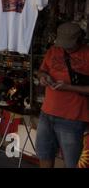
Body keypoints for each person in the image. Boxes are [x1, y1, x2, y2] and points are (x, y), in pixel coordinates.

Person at [37, 22, 89, 168]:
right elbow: (42, 70)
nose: (65, 47)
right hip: (46, 113)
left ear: (80, 40)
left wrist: (69, 87)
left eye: (69, 44)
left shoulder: (87, 54)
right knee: (44, 153)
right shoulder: (53, 50)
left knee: (71, 162)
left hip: (72, 118)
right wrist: (43, 77)